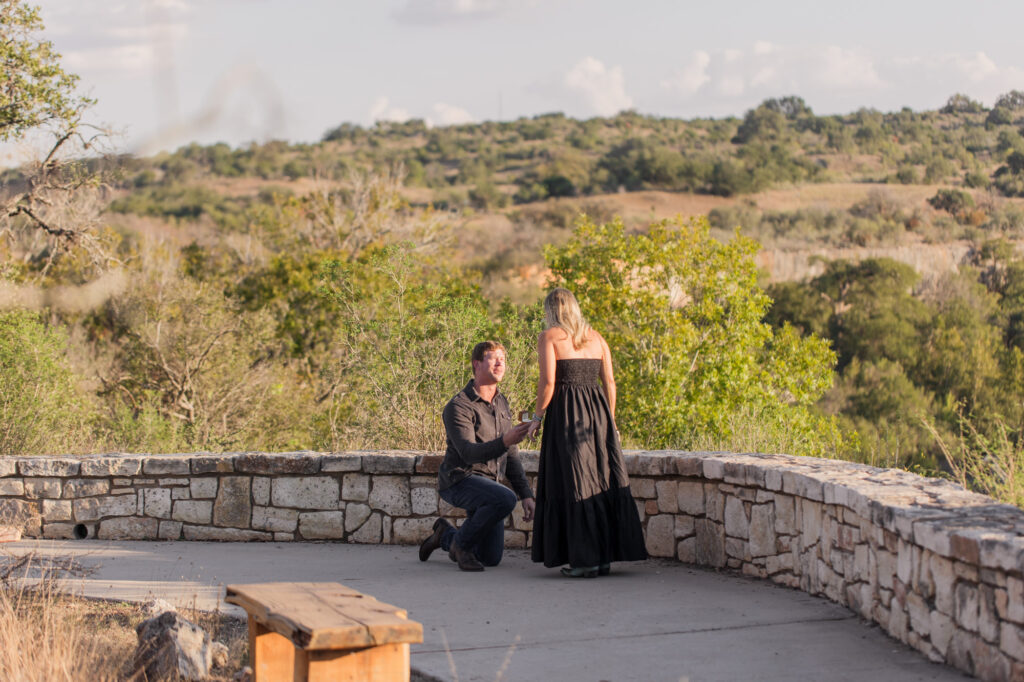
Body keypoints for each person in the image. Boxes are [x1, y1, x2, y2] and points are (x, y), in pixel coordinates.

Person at [527, 288, 647, 577]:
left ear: (550, 310)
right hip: (598, 414)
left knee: (575, 481)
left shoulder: (549, 337)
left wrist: (536, 418)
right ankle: (602, 557)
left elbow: (548, 384)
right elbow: (611, 382)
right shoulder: (597, 337)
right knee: (600, 479)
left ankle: (585, 561)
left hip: (567, 414)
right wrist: (611, 421)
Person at [419, 341, 536, 571]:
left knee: (490, 558)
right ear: (476, 364)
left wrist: (526, 494)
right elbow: (468, 453)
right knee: (504, 499)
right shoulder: (458, 406)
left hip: (489, 485)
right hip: (460, 480)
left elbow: (510, 454)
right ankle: (460, 546)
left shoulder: (501, 402)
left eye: (503, 358)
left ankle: (445, 535)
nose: (500, 362)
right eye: (494, 358)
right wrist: (505, 440)